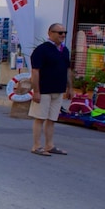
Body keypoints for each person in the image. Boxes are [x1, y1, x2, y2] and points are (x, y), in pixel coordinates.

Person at [29, 23, 73, 156]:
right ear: (50, 33)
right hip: (44, 89)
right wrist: (36, 91)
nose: (63, 35)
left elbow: (67, 70)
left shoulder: (64, 50)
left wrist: (70, 87)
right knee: (40, 118)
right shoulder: (42, 50)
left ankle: (49, 145)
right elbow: (35, 71)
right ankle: (37, 145)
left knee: (52, 119)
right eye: (60, 33)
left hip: (58, 89)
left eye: (64, 32)